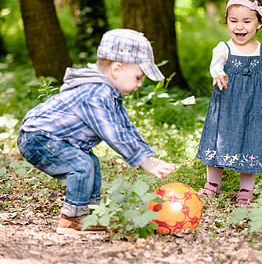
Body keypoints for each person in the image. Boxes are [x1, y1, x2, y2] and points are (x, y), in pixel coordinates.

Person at [17, 29, 176, 234]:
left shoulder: (109, 94)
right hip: (38, 138)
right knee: (81, 164)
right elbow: (114, 134)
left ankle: (91, 214)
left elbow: (125, 128)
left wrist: (148, 156)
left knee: (91, 162)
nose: (139, 84)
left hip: (52, 139)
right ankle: (72, 218)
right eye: (138, 77)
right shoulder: (97, 93)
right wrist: (143, 162)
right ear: (117, 69)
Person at [196, 0, 262, 206]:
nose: (239, 27)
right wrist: (218, 74)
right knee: (217, 140)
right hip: (225, 107)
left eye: (247, 21)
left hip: (253, 109)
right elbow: (215, 65)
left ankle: (246, 189)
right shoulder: (223, 48)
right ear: (226, 21)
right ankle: (213, 183)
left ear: (259, 22)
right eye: (233, 21)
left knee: (252, 142)